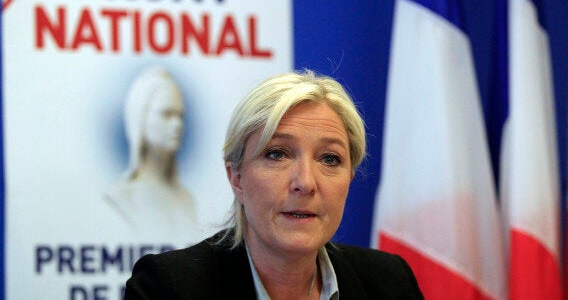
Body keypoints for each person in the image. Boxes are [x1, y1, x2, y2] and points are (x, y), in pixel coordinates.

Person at [124, 70, 423, 299]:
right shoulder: (169, 288)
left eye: (330, 159)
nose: (305, 183)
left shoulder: (389, 283)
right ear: (236, 178)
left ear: (349, 179)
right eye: (277, 154)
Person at [105, 66, 197, 240]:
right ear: (140, 118)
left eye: (180, 116)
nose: (177, 124)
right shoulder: (122, 197)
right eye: (167, 114)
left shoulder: (186, 199)